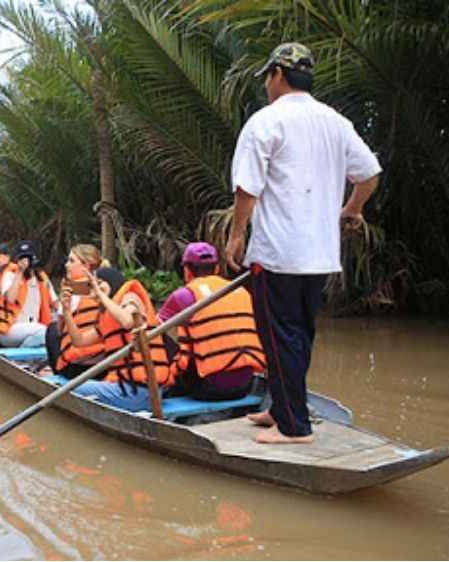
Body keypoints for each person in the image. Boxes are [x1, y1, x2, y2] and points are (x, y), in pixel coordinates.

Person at [226, 42, 381, 444]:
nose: (266, 85)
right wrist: (351, 210)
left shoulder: (266, 121)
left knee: (279, 337)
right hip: (320, 256)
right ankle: (280, 408)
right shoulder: (336, 122)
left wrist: (237, 235)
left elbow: (247, 188)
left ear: (277, 74)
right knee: (299, 335)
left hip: (278, 253)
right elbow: (369, 174)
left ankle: (294, 427)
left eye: (267, 77)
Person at [159, 242, 265, 401]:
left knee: (158, 337)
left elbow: (151, 329)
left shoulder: (184, 295)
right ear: (216, 269)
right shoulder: (241, 291)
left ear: (187, 271)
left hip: (208, 388)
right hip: (245, 385)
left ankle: (157, 386)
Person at [62, 267, 174, 412]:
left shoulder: (130, 297)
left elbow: (127, 321)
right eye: (93, 284)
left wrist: (101, 294)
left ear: (112, 282)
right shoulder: (107, 317)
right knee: (78, 387)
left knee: (73, 389)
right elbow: (80, 341)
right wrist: (66, 311)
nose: (95, 287)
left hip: (141, 391)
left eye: (100, 283)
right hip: (129, 387)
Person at [44, 244, 107, 379]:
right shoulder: (106, 288)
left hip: (78, 368)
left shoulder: (71, 292)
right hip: (104, 365)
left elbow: (60, 330)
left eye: (72, 261)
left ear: (86, 266)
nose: (67, 265)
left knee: (52, 329)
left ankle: (57, 372)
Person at [0, 241, 57, 348]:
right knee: (43, 331)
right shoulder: (10, 274)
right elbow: (10, 298)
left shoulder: (42, 278)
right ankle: (23, 356)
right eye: (21, 258)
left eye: (28, 258)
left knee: (54, 329)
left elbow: (56, 304)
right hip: (10, 330)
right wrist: (20, 272)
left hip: (35, 328)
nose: (25, 262)